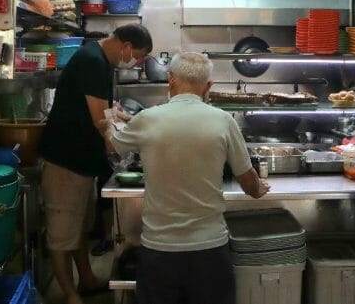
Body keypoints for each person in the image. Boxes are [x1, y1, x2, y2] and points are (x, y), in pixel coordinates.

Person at [104, 52, 270, 304]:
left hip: (159, 250)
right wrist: (259, 188)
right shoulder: (224, 121)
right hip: (210, 250)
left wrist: (108, 124)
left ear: (170, 80)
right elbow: (249, 182)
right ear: (209, 86)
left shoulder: (147, 119)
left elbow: (112, 146)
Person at [39, 23, 153, 304]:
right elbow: (101, 121)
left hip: (82, 162)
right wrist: (121, 147)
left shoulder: (98, 59)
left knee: (79, 227)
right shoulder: (92, 61)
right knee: (62, 233)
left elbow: (107, 110)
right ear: (125, 45)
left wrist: (130, 121)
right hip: (66, 161)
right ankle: (70, 295)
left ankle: (87, 280)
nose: (135, 61)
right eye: (136, 55)